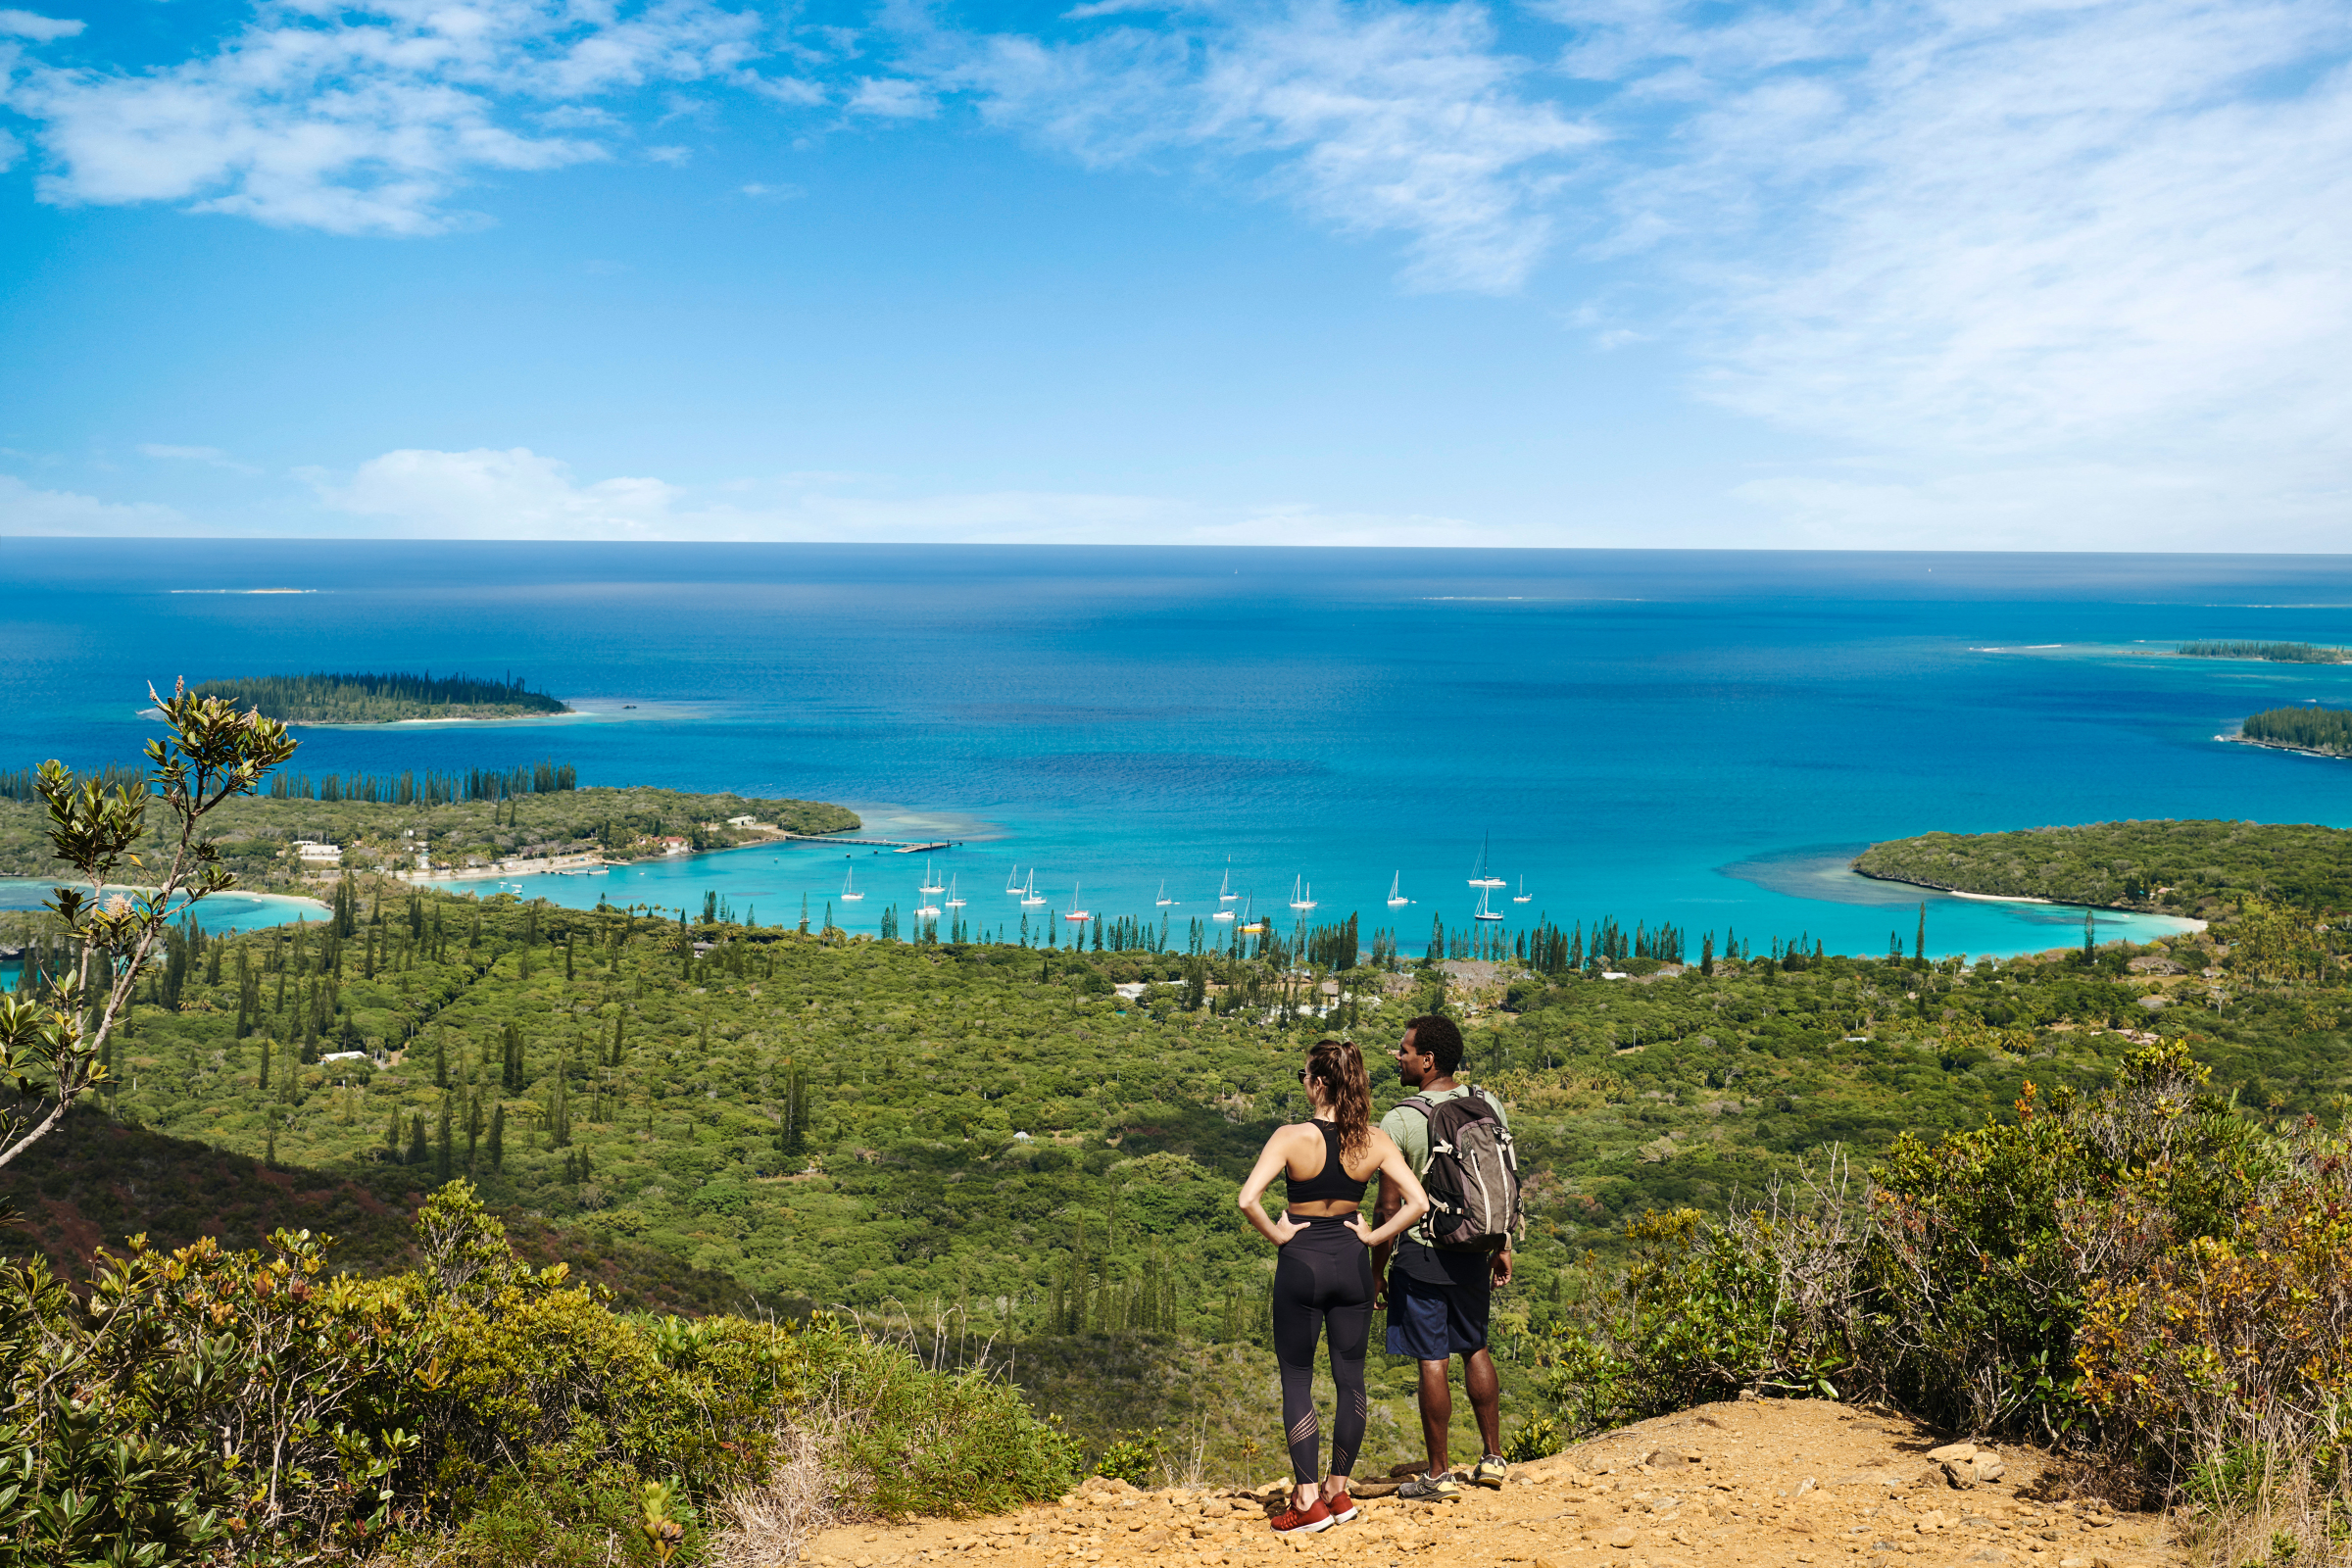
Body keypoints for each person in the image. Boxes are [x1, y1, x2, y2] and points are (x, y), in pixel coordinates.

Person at [1238, 1038, 1431, 1536]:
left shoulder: (1289, 1137)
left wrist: (1279, 1233)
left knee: (1298, 1377)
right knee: (1352, 1380)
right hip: (1351, 1263)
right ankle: (1336, 1491)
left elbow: (1248, 1200)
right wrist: (1371, 1236)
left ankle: (1305, 1501)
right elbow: (1417, 1203)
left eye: (1303, 1075)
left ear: (1319, 1082)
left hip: (1301, 1263)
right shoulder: (1372, 1139)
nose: (1302, 1083)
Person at [1371, 1013, 1514, 1500]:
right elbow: (1498, 1184)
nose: (1398, 1055)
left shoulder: (1401, 1118)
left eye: (1405, 1049)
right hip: (1475, 1246)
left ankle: (1439, 1473)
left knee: (1432, 1359)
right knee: (1475, 1346)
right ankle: (1492, 1458)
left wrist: (1376, 1270)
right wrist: (1502, 1243)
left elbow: (1389, 1205)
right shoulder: (1486, 1102)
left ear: (1427, 1061)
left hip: (1424, 1252)